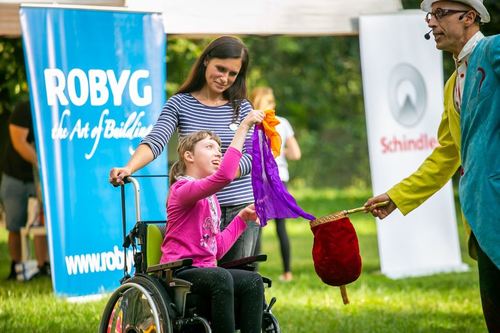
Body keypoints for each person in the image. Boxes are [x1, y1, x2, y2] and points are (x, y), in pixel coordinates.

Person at [364, 1, 499, 331]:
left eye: (441, 14)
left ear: (469, 17)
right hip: (483, 215)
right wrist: (398, 196)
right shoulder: (452, 84)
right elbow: (446, 156)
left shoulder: (494, 50)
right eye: (430, 15)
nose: (431, 22)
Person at [109, 36, 260, 263]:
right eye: (220, 68)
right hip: (196, 211)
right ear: (206, 60)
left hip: (239, 203)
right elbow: (157, 139)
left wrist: (224, 176)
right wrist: (129, 167)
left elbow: (250, 156)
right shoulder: (180, 103)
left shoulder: (242, 108)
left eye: (232, 73)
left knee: (241, 278)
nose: (224, 78)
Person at [161, 107, 264, 332]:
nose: (218, 153)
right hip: (181, 270)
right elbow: (226, 175)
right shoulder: (182, 189)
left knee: (252, 280)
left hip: (208, 269)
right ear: (189, 156)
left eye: (220, 149)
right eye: (209, 147)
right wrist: (244, 126)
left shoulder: (211, 199)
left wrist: (241, 219)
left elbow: (214, 250)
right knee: (219, 276)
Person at [250, 87, 302, 282]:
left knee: (256, 226)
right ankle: (287, 272)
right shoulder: (283, 122)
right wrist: (280, 153)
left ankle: (252, 273)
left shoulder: (251, 122)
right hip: (280, 178)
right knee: (281, 227)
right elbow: (296, 153)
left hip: (259, 179)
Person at [0, 100, 50, 280]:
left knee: (41, 224)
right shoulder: (24, 107)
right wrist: (42, 165)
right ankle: (17, 267)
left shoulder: (53, 108)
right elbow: (19, 142)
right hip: (14, 177)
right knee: (15, 225)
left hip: (38, 178)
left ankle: (42, 266)